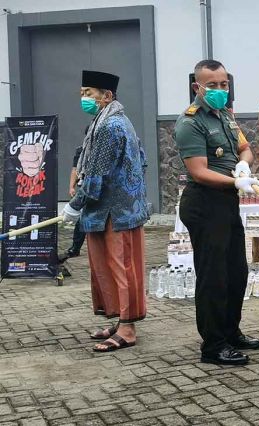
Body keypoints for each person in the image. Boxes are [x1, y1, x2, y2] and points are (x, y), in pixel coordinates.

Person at [175, 59, 259, 366]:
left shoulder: (224, 116)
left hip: (227, 202)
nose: (219, 89)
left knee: (236, 272)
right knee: (214, 276)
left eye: (224, 84)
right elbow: (198, 171)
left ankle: (230, 331)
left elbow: (245, 148)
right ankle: (213, 345)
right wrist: (236, 180)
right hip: (204, 203)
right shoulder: (190, 122)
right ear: (197, 87)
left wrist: (244, 164)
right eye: (212, 85)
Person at [62, 70, 149, 352]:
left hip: (116, 213)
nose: (84, 99)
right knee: (107, 269)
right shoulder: (111, 120)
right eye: (82, 93)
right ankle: (120, 320)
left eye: (89, 93)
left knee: (122, 268)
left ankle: (127, 329)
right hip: (108, 211)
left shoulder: (110, 126)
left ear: (107, 96)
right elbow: (142, 159)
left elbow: (97, 176)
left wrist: (74, 207)